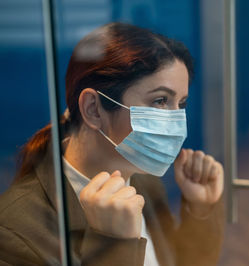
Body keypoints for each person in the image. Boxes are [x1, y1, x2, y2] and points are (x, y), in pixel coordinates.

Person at [0, 22, 225, 266]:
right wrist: (114, 243)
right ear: (93, 109)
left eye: (180, 104)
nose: (176, 120)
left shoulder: (141, 178)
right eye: (160, 100)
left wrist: (199, 209)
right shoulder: (14, 231)